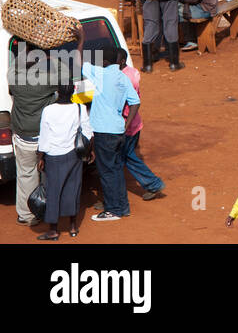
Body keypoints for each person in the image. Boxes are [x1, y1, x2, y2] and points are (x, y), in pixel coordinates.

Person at [81, 45, 140, 223]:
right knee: (116, 170)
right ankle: (122, 207)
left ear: (105, 61)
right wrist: (126, 124)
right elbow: (135, 102)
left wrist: (81, 40)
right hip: (118, 130)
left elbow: (78, 61)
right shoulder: (122, 77)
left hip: (104, 132)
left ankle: (113, 210)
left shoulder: (100, 74)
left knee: (106, 172)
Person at [36, 84, 93, 240]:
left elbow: (44, 136)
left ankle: (53, 230)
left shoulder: (48, 110)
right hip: (74, 155)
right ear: (73, 91)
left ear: (57, 92)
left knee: (53, 192)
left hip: (53, 156)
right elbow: (88, 133)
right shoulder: (80, 109)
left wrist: (40, 157)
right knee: (73, 189)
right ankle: (73, 227)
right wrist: (90, 151)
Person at [10, 49, 56, 228]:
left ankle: (26, 215)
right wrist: (51, 58)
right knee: (48, 175)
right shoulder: (47, 81)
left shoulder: (15, 80)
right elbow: (66, 76)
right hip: (44, 139)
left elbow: (13, 68)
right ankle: (48, 210)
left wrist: (25, 55)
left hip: (24, 138)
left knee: (25, 175)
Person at [114, 48, 165, 202]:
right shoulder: (133, 72)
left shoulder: (122, 79)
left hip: (127, 125)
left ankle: (153, 184)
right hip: (135, 123)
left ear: (122, 61)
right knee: (127, 156)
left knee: (125, 157)